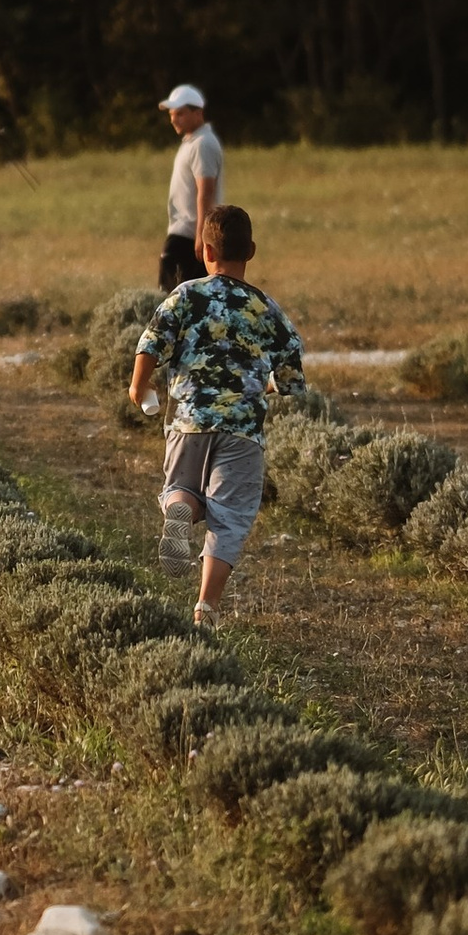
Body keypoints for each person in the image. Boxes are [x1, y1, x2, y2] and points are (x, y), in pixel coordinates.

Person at [129, 203, 302, 632]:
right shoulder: (266, 308)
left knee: (181, 486)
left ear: (206, 250)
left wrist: (139, 386)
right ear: (252, 251)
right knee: (230, 517)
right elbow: (293, 378)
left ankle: (179, 509)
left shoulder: (186, 294)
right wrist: (267, 386)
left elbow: (152, 340)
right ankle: (206, 607)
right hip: (242, 432)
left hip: (188, 421)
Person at [156, 81, 222, 290]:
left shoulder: (203, 144)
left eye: (180, 113)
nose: (174, 119)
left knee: (170, 295)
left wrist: (202, 234)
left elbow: (205, 191)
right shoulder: (192, 142)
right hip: (184, 231)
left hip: (189, 232)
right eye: (172, 114)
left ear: (197, 113)